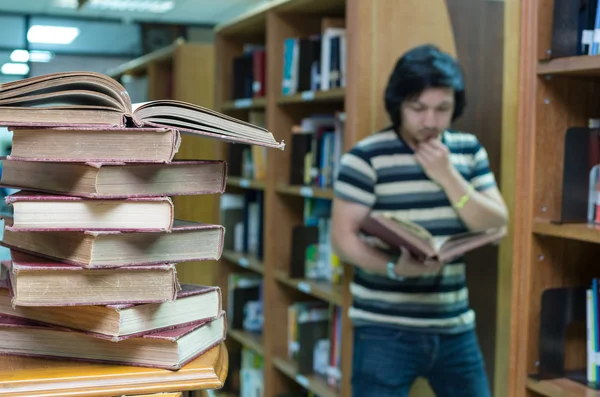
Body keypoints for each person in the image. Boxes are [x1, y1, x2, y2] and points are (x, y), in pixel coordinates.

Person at [330, 44, 508, 397]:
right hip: (384, 330)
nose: (431, 121)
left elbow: (498, 224)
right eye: (419, 108)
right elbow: (342, 239)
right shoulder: (366, 157)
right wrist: (396, 267)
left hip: (455, 326)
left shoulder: (468, 150)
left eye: (443, 109)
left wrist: (448, 176)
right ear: (399, 105)